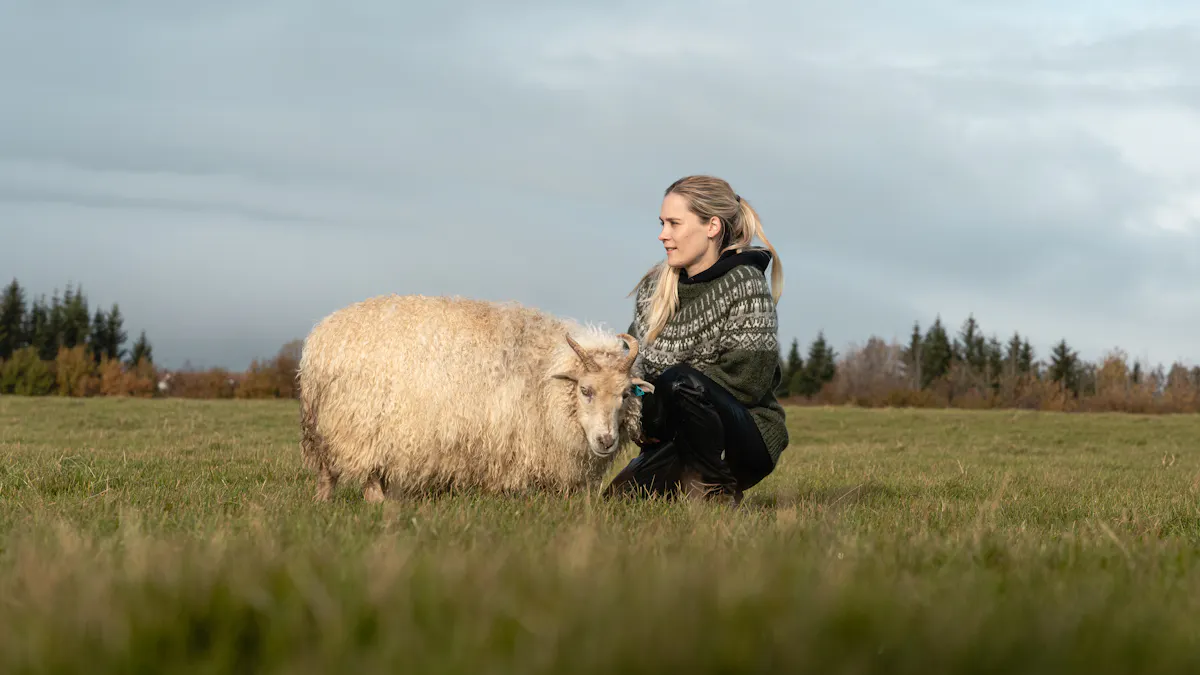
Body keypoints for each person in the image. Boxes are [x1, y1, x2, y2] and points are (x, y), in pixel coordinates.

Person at [605, 174, 788, 506]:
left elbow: (748, 381)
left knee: (680, 381)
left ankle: (716, 493)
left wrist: (664, 395)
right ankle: (688, 483)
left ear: (712, 227)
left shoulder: (745, 283)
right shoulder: (654, 289)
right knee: (618, 501)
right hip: (673, 438)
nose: (663, 235)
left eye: (674, 223)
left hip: (742, 437)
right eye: (662, 223)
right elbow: (629, 369)